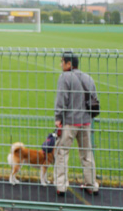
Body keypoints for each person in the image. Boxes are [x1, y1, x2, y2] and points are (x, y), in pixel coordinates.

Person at [54, 52, 99, 196]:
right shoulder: (88, 78)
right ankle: (91, 184)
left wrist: (58, 117)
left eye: (62, 62)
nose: (61, 64)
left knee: (62, 153)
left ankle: (61, 186)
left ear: (69, 64)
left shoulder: (64, 77)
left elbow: (61, 99)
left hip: (69, 122)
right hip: (86, 122)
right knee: (87, 154)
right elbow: (94, 99)